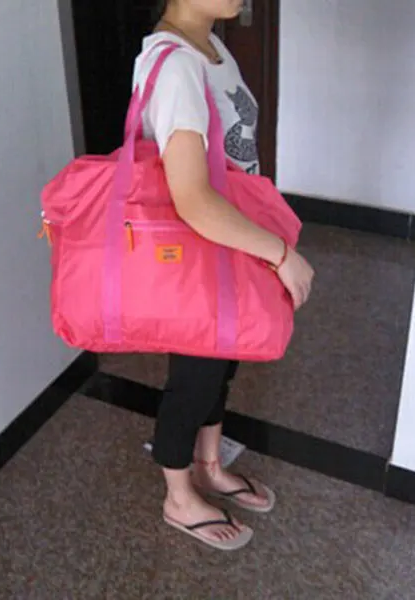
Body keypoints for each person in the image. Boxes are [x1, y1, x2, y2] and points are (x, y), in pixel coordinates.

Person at [131, 0, 314, 550]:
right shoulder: (175, 66)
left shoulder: (209, 45)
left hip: (226, 246)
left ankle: (209, 465)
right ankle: (178, 496)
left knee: (219, 365)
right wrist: (281, 255)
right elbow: (192, 199)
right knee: (193, 379)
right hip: (199, 253)